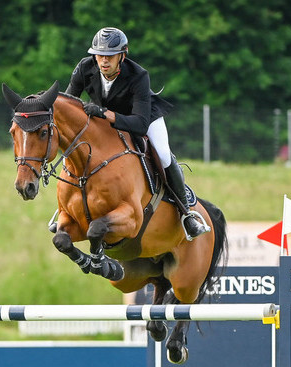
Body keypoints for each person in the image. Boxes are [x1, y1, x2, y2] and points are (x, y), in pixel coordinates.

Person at [64, 27, 210, 240]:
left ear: (122, 55)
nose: (104, 61)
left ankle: (186, 212)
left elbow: (140, 124)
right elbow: (68, 103)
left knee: (162, 154)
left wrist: (105, 114)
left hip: (143, 117)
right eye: (99, 55)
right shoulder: (84, 68)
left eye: (110, 56)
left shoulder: (139, 75)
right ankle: (67, 209)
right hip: (105, 118)